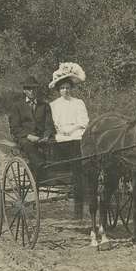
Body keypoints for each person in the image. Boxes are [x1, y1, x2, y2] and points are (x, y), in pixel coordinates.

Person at [48, 62, 89, 218]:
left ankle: (83, 167)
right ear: (59, 90)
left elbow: (84, 120)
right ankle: (69, 168)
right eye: (62, 88)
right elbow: (54, 123)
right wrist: (64, 130)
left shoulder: (78, 103)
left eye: (68, 87)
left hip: (77, 131)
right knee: (64, 140)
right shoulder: (54, 105)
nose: (65, 90)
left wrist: (74, 129)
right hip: (62, 134)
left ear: (71, 89)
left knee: (80, 139)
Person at [8, 74, 53, 173]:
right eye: (29, 89)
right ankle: (41, 167)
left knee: (55, 144)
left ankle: (58, 170)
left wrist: (46, 136)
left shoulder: (44, 105)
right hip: (25, 138)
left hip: (41, 137)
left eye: (34, 88)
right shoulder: (17, 106)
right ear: (24, 91)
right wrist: (28, 136)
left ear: (37, 90)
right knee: (28, 145)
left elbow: (49, 125)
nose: (32, 91)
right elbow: (14, 128)